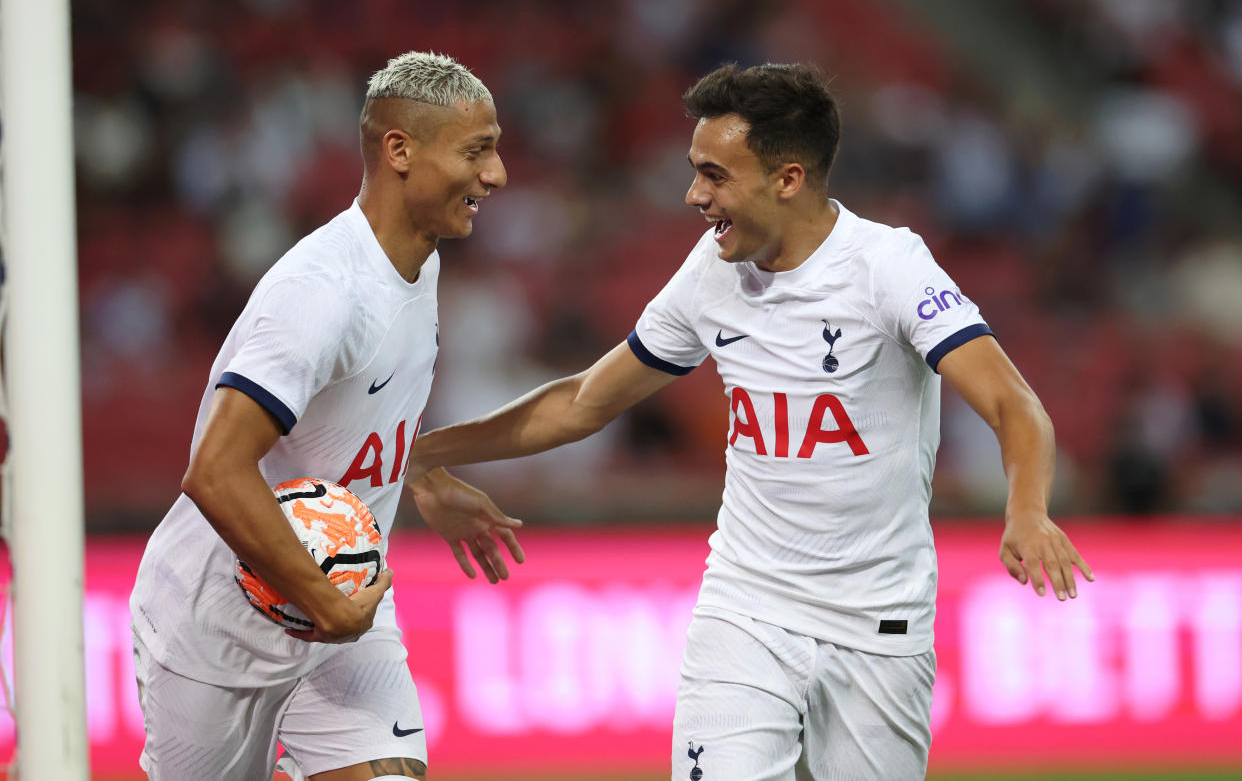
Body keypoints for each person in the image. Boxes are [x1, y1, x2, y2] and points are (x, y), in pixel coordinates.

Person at [405, 62, 1094, 780]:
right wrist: (422, 452)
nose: (694, 195)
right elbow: (582, 402)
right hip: (746, 606)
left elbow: (1014, 404)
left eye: (714, 175)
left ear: (787, 179)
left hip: (877, 625)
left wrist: (1027, 509)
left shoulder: (887, 266)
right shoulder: (712, 271)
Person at [129, 51, 525, 781]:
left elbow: (356, 418)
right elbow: (215, 472)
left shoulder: (421, 259)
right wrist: (324, 604)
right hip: (219, 625)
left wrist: (422, 475)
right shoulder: (322, 292)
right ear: (399, 150)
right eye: (477, 151)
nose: (496, 174)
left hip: (343, 597)